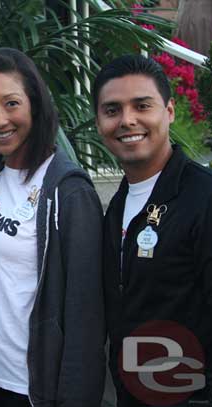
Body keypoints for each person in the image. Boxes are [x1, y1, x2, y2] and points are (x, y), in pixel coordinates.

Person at [0, 47, 106, 406]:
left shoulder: (68, 191)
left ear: (35, 105)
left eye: (11, 103)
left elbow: (86, 317)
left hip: (41, 392)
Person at [93, 54, 212, 407]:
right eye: (112, 110)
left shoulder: (202, 197)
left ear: (169, 111)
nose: (127, 120)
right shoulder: (118, 205)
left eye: (141, 106)